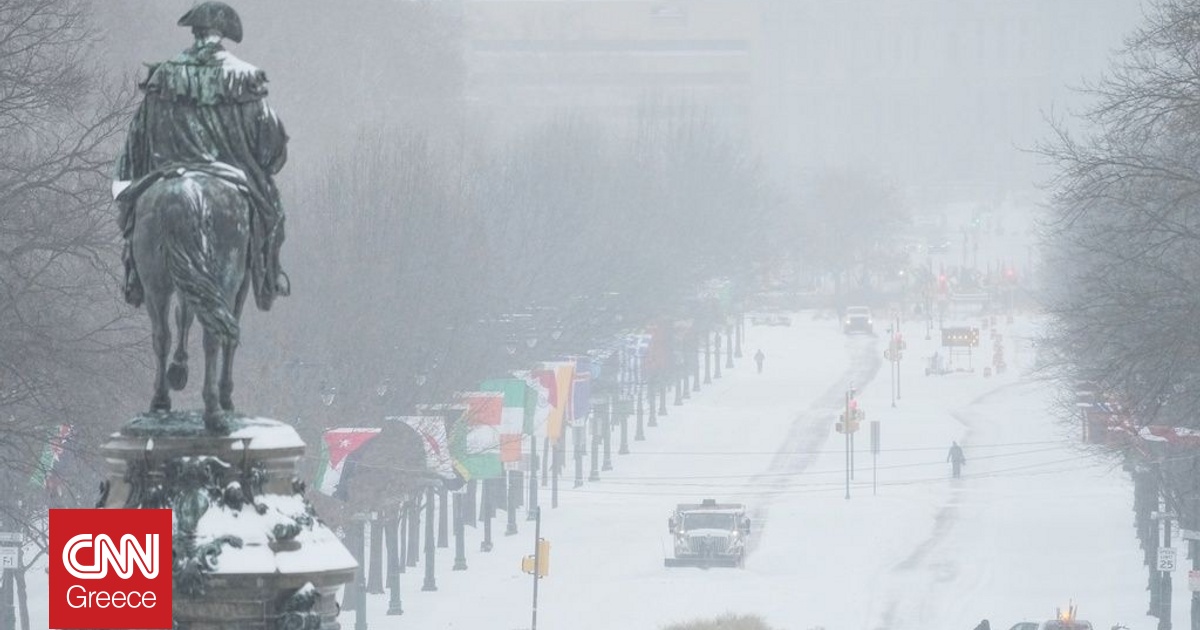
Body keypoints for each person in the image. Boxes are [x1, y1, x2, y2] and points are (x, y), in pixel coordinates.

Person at [114, 1, 290, 311]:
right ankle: (270, 276)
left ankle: (133, 275)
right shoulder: (245, 76)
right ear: (223, 34)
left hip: (167, 172)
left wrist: (128, 178)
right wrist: (264, 165)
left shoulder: (163, 75)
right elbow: (270, 142)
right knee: (273, 214)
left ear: (195, 33)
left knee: (132, 212)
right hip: (230, 173)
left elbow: (137, 136)